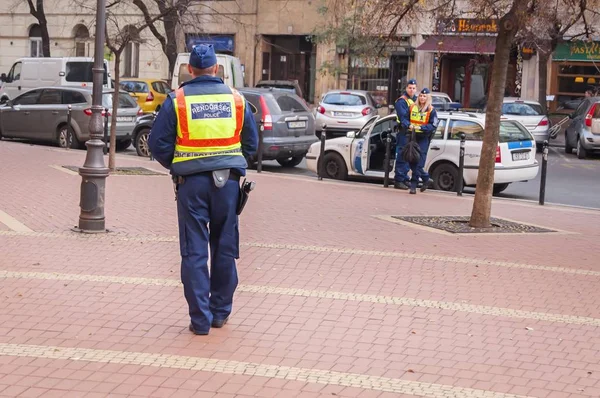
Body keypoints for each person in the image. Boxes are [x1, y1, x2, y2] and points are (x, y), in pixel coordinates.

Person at [148, 44, 258, 335]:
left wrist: (178, 164)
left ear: (191, 70)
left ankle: (200, 321)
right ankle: (220, 313)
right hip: (228, 185)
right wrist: (235, 163)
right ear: (216, 70)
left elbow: (157, 144)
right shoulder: (237, 100)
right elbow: (251, 143)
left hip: (191, 185)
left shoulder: (178, 100)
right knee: (224, 248)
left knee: (194, 253)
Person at [406, 87, 439, 195]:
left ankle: (413, 186)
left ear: (428, 98)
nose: (422, 97)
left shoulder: (431, 110)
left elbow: (433, 125)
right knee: (411, 161)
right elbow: (405, 119)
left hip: (423, 138)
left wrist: (422, 128)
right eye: (420, 95)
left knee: (419, 163)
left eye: (424, 96)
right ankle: (426, 178)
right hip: (412, 136)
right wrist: (408, 124)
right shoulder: (412, 107)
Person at [394, 79, 418, 190]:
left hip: (413, 133)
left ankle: (404, 179)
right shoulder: (401, 101)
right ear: (406, 88)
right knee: (402, 156)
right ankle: (399, 180)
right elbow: (403, 117)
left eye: (413, 88)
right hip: (404, 132)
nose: (411, 90)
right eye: (410, 88)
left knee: (409, 157)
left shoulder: (416, 100)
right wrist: (410, 125)